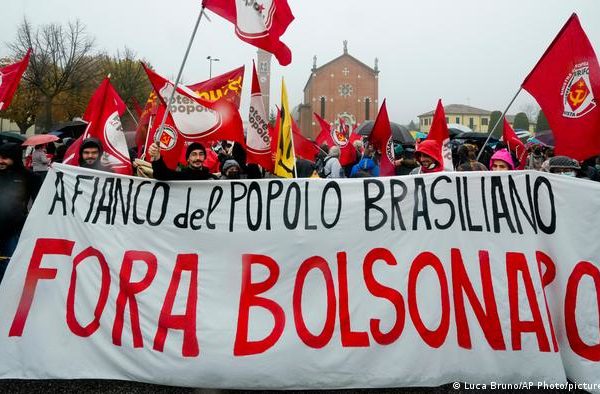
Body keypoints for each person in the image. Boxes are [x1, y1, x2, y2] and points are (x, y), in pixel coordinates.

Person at [0, 143, 33, 284]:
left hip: (14, 232)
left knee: (11, 266)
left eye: (5, 158)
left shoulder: (28, 177)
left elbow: (41, 201)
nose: (0, 161)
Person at [148, 141, 216, 180]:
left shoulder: (211, 178)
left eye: (201, 154)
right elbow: (161, 174)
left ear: (204, 157)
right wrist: (156, 156)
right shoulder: (181, 176)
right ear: (188, 159)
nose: (198, 158)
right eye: (194, 154)